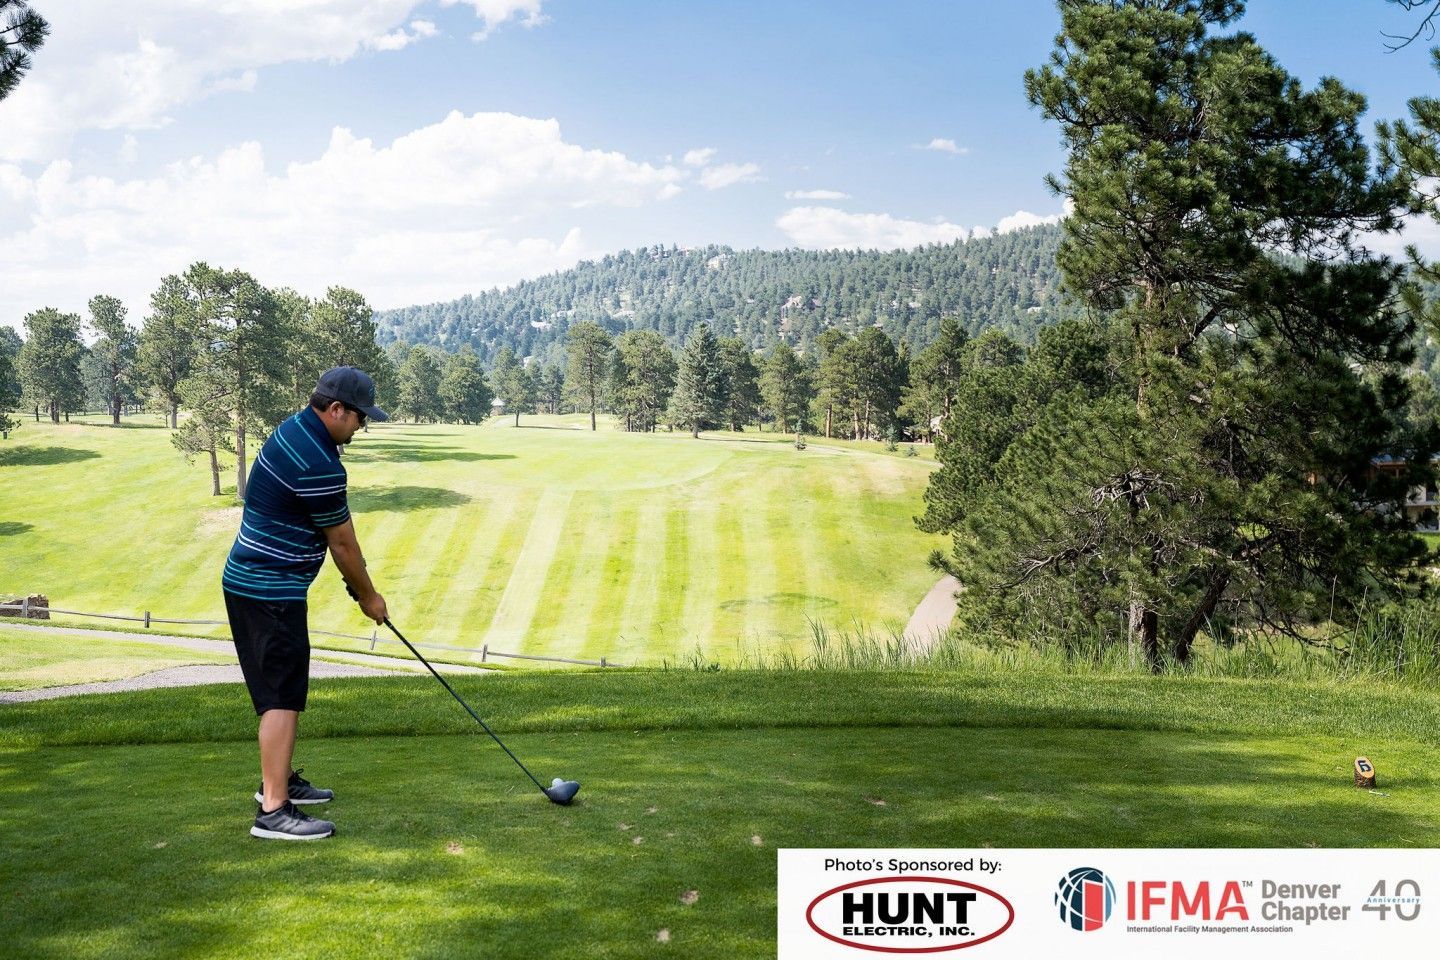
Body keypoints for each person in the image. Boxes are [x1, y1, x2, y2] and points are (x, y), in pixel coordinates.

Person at [222, 366, 390, 840]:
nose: (361, 427)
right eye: (359, 417)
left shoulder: (295, 429)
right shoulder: (318, 461)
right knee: (282, 697)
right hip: (268, 591)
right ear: (336, 410)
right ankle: (274, 810)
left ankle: (279, 781)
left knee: (284, 689)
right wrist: (368, 597)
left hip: (255, 582)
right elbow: (343, 545)